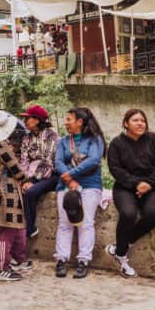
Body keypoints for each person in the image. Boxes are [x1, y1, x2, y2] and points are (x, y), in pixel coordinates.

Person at [105, 109, 155, 278]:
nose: (141, 123)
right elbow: (115, 169)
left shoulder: (153, 139)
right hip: (125, 187)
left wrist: (148, 183)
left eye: (143, 120)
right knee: (128, 214)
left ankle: (121, 246)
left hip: (152, 186)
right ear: (126, 123)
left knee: (153, 214)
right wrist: (136, 183)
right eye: (135, 120)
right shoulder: (117, 144)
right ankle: (121, 257)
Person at [53, 107, 105, 279]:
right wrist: (69, 180)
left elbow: (94, 160)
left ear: (79, 122)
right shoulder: (62, 142)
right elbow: (58, 161)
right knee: (64, 222)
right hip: (66, 184)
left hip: (90, 184)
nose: (66, 122)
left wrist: (72, 174)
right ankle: (61, 259)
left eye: (69, 119)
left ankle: (83, 260)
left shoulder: (94, 140)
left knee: (86, 222)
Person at [0, 110, 31, 282]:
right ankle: (0, 267)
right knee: (6, 230)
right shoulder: (0, 146)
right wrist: (26, 179)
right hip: (7, 192)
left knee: (7, 229)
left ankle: (6, 263)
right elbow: (17, 169)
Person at [17, 105, 59, 239]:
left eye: (27, 118)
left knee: (30, 192)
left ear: (36, 120)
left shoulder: (51, 135)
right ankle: (22, 229)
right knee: (19, 191)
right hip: (30, 175)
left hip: (50, 175)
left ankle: (29, 229)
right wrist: (24, 180)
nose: (24, 121)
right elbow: (23, 160)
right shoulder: (26, 138)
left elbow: (48, 161)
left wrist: (33, 181)